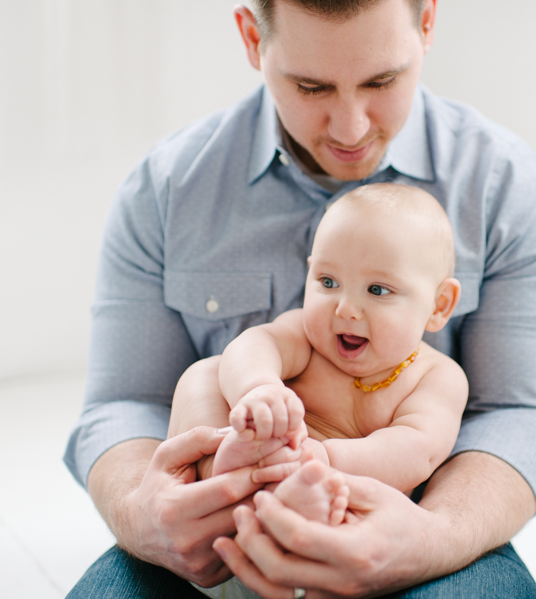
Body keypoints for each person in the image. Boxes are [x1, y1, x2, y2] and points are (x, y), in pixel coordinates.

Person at [64, 0, 536, 597]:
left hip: (411, 517)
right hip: (222, 526)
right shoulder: (165, 190)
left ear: (428, 23)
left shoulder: (510, 189)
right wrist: (143, 512)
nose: (350, 128)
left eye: (381, 81)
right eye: (311, 86)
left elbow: (525, 415)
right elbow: (123, 401)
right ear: (252, 39)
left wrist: (433, 535)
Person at [171, 183, 468, 598]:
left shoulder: (435, 377)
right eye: (328, 282)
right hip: (229, 525)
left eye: (377, 290)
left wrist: (326, 459)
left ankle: (297, 502)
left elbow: (417, 450)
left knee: (346, 499)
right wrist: (259, 389)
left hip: (342, 541)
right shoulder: (307, 338)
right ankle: (222, 471)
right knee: (205, 374)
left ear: (439, 305)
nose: (345, 308)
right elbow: (254, 344)